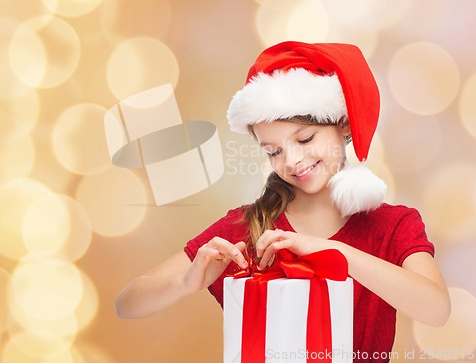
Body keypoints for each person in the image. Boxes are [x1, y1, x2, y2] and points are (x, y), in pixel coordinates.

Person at [115, 42, 450, 362]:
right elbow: (127, 303)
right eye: (273, 151)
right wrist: (185, 282)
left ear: (344, 125)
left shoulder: (391, 226)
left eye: (304, 139)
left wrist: (333, 254)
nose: (292, 161)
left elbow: (436, 309)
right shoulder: (250, 228)